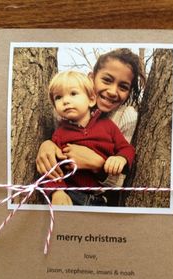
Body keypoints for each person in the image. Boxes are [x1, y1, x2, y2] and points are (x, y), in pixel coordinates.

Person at [36, 48, 146, 204]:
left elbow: (119, 179)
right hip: (71, 192)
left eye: (123, 87)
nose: (113, 92)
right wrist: (46, 145)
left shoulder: (125, 117)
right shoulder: (66, 113)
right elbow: (55, 154)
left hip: (101, 196)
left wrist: (98, 163)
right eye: (107, 80)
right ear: (91, 78)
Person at [46, 70, 135, 206]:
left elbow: (126, 148)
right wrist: (57, 192)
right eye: (58, 97)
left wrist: (121, 158)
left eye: (73, 93)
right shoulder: (60, 134)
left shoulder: (107, 125)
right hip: (71, 196)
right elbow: (52, 169)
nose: (65, 101)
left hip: (101, 198)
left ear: (91, 99)